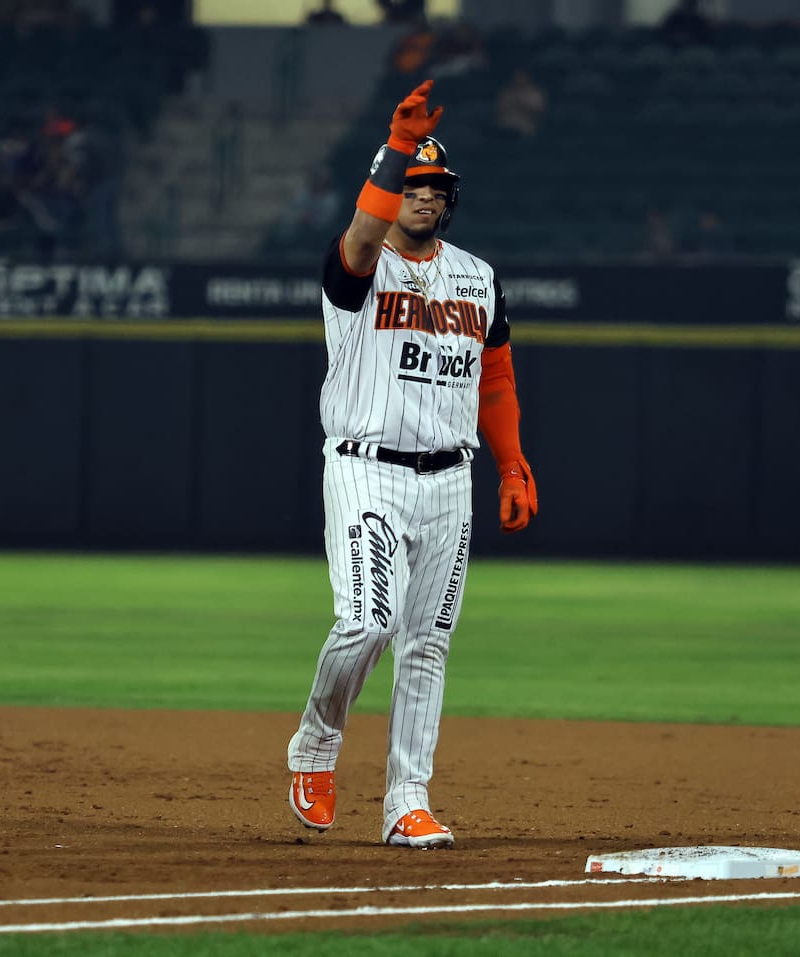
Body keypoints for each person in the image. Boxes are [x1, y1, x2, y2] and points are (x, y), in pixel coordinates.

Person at [286, 79, 538, 849]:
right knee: (368, 621)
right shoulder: (357, 266)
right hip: (369, 466)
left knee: (426, 641)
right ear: (390, 187)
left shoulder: (477, 276)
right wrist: (397, 148)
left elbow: (494, 376)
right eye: (412, 185)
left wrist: (514, 464)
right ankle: (317, 742)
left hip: (450, 479)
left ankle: (407, 799)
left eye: (435, 187)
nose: (424, 198)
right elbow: (364, 231)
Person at [492, 69, 547, 140]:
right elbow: (497, 110)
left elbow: (540, 113)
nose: (519, 79)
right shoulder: (506, 92)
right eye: (517, 76)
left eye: (521, 76)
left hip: (524, 127)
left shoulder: (535, 93)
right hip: (503, 127)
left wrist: (522, 105)